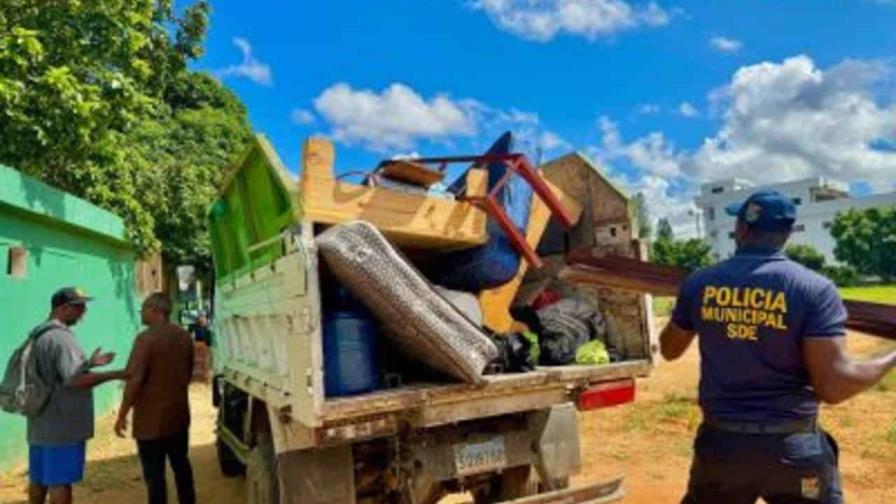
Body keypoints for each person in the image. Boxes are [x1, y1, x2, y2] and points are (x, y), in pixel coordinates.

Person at [660, 190, 896, 504]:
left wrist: (701, 312)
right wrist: (892, 356)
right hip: (794, 452)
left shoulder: (700, 283)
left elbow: (669, 350)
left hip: (721, 450)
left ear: (741, 229)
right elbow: (834, 386)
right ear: (786, 235)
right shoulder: (814, 289)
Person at [28, 287, 128, 504]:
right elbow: (74, 381)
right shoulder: (62, 339)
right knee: (60, 482)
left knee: (39, 479)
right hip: (63, 425)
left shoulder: (39, 333)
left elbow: (56, 372)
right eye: (79, 307)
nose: (84, 312)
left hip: (40, 423)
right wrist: (117, 374)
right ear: (63, 308)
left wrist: (89, 363)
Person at [115, 293, 196, 504]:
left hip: (150, 422)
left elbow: (135, 379)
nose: (141, 313)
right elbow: (187, 373)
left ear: (154, 311)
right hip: (178, 416)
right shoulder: (184, 336)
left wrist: (122, 413)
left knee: (154, 474)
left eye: (143, 309)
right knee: (181, 465)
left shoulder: (146, 338)